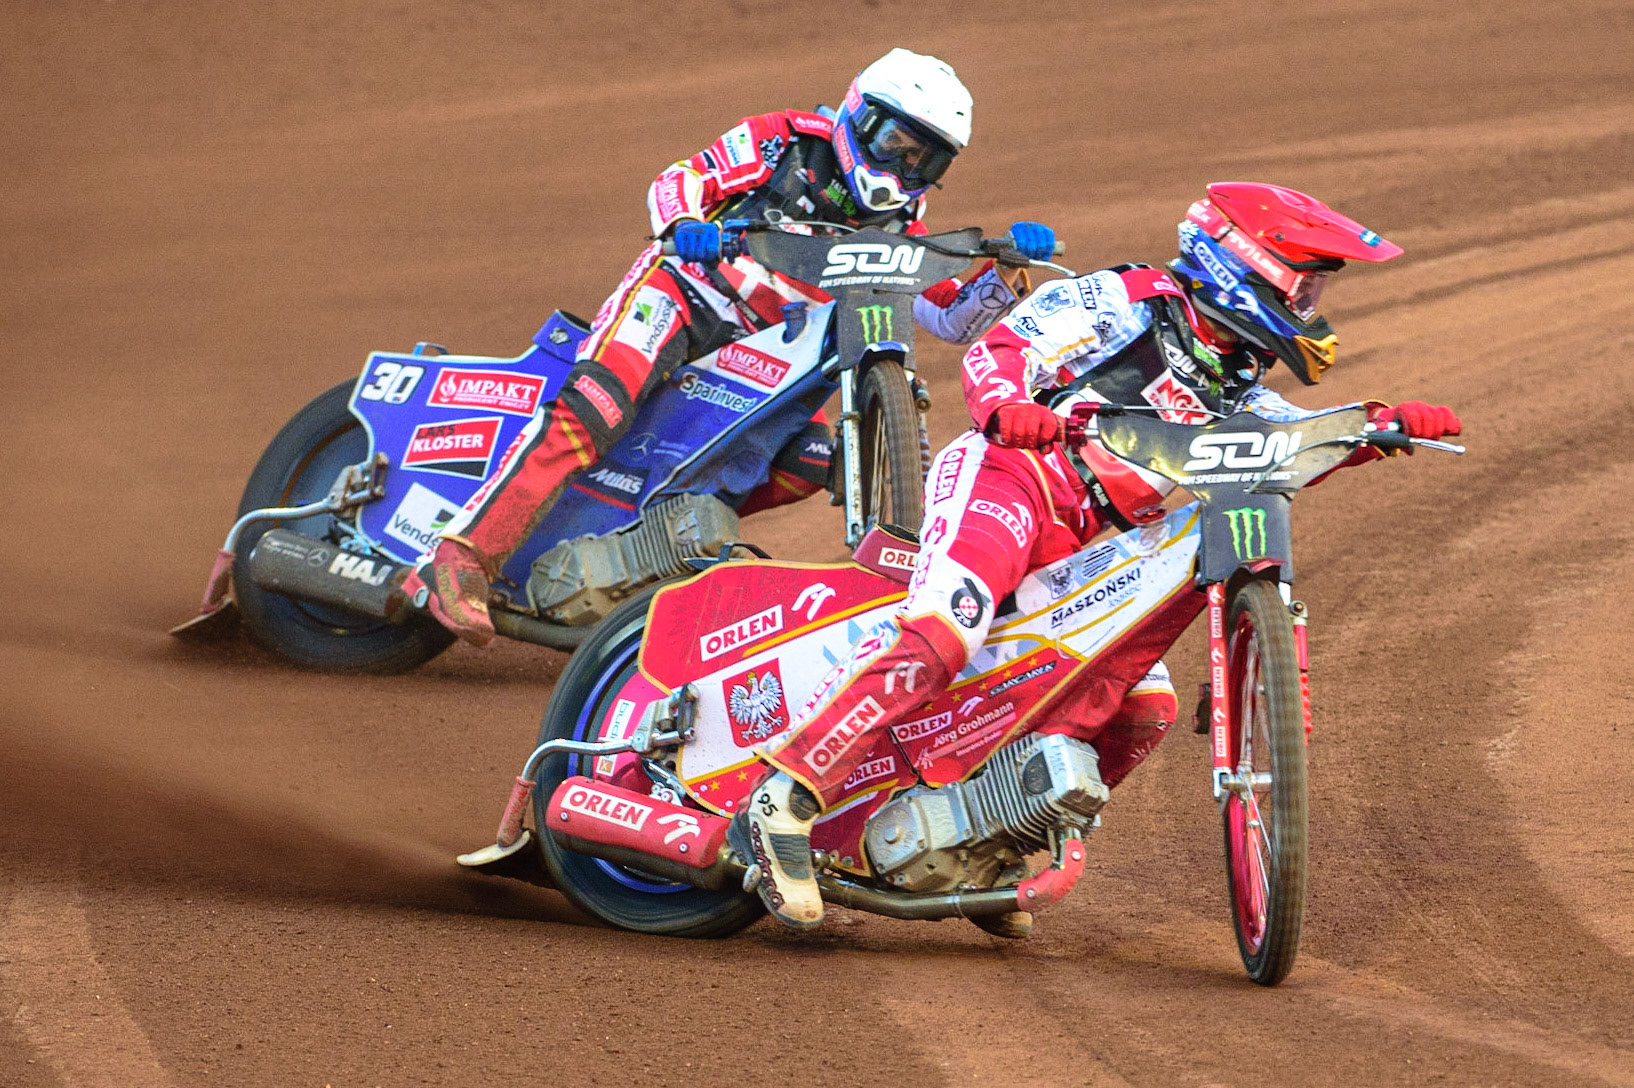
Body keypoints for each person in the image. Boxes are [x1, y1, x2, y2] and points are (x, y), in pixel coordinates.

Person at [730, 181, 1463, 929]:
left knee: (1144, 707)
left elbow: (1278, 440)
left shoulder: (1236, 370)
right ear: (1246, 264)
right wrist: (1007, 405)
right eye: (1303, 285)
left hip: (1085, 535)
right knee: (949, 632)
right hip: (1005, 479)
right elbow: (1002, 347)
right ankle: (785, 798)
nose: (1310, 305)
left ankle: (993, 839)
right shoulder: (1129, 296)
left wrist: (1377, 428)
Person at [404, 48, 1057, 645]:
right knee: (596, 409)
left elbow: (949, 317)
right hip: (685, 297)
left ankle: (651, 545)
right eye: (895, 145)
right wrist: (686, 224)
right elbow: (681, 179)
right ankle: (462, 558)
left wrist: (1005, 273)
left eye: (925, 160)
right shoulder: (785, 141)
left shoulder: (898, 225)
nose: (904, 168)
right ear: (860, 118)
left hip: (761, 357)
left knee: (810, 460)